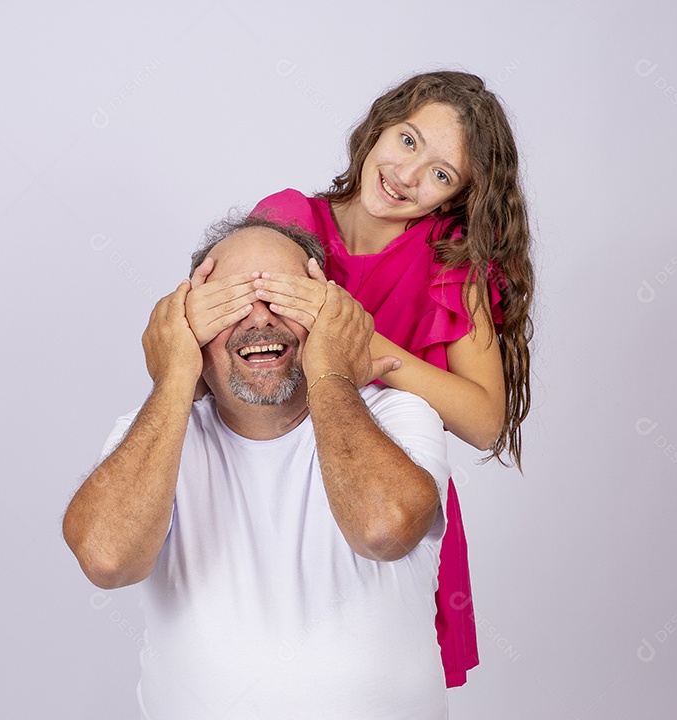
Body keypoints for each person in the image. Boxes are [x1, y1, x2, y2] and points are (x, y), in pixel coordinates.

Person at [185, 71, 534, 687]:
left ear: (457, 197)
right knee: (262, 659)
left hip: (387, 480)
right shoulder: (289, 218)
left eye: (441, 173)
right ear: (380, 126)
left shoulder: (452, 262)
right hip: (279, 471)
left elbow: (484, 421)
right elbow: (210, 353)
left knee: (373, 671)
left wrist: (368, 348)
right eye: (407, 140)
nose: (407, 174)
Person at [64, 216, 452, 719]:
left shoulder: (399, 416)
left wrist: (330, 367)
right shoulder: (156, 432)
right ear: (188, 326)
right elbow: (106, 559)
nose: (260, 319)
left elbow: (383, 531)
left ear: (327, 314)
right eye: (229, 302)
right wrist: (175, 374)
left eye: (286, 297)